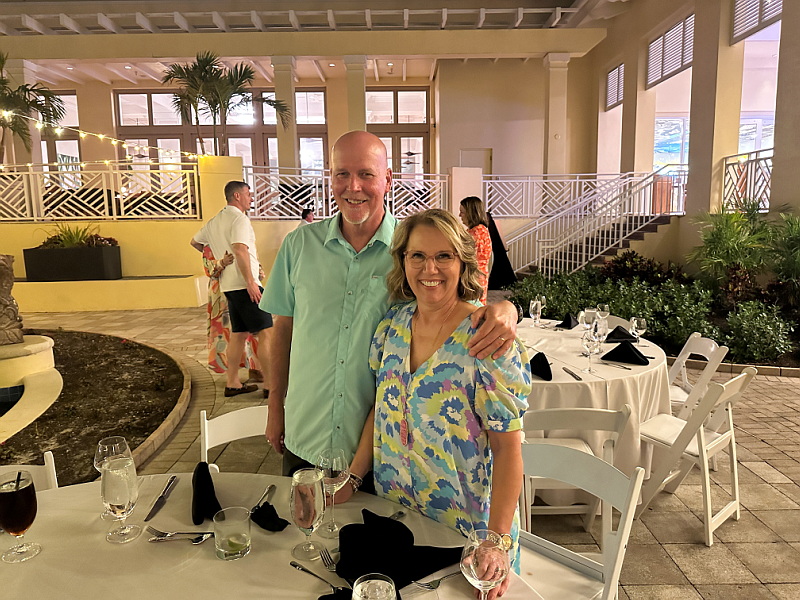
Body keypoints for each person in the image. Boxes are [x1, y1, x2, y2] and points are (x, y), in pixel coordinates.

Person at [261, 130, 520, 490]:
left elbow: (456, 307)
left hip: (384, 452)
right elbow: (283, 330)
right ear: (330, 178)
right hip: (306, 435)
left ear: (387, 179)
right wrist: (275, 406)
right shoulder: (299, 245)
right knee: (302, 524)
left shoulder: (412, 250)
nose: (353, 186)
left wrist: (506, 309)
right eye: (342, 174)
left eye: (366, 174)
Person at [369, 209, 530, 597]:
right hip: (397, 519)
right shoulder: (391, 327)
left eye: (444, 256)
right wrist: (353, 478)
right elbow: (380, 409)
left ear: (463, 263)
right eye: (418, 256)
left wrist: (495, 543)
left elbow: (508, 449)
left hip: (468, 536)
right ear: (403, 261)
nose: (430, 269)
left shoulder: (487, 339)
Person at [191, 180, 272, 398]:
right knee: (266, 332)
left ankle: (233, 383)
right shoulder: (239, 219)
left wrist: (218, 256)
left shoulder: (215, 221)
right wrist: (250, 282)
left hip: (229, 286)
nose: (251, 198)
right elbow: (240, 249)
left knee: (238, 334)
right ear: (237, 196)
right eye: (248, 194)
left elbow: (195, 242)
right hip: (244, 285)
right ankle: (271, 385)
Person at [201, 245, 263, 381]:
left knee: (253, 331)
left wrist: (258, 271)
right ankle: (233, 378)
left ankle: (256, 368)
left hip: (246, 288)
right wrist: (221, 263)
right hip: (223, 295)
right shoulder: (211, 243)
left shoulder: (242, 241)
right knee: (230, 334)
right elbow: (208, 268)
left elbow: (252, 259)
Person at [459, 196, 492, 305]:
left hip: (474, 277)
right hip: (478, 275)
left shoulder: (476, 232)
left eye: (462, 212)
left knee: (472, 308)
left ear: (471, 213)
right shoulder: (480, 230)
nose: (460, 215)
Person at [486, 211, 517, 290]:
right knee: (501, 262)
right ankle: (503, 282)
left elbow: (499, 233)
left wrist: (504, 246)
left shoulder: (490, 220)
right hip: (498, 248)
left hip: (498, 248)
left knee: (500, 262)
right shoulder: (492, 220)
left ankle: (500, 282)